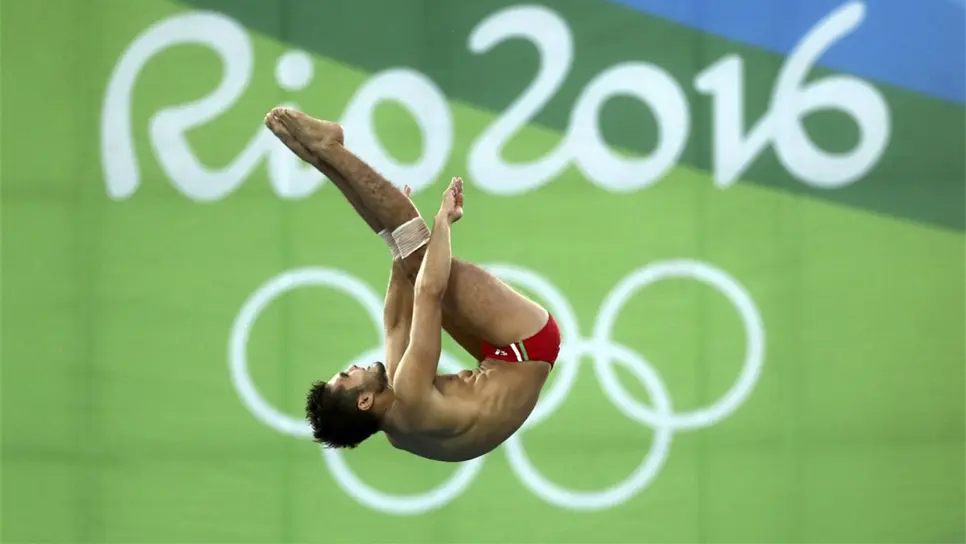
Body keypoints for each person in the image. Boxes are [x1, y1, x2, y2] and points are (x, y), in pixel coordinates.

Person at [263, 107, 561, 462]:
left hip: (501, 361)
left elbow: (397, 323)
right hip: (527, 343)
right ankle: (328, 148)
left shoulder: (396, 427)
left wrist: (398, 249)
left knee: (409, 257)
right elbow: (429, 292)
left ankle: (320, 156)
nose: (353, 367)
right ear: (364, 400)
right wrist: (443, 221)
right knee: (419, 257)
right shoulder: (410, 394)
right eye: (346, 375)